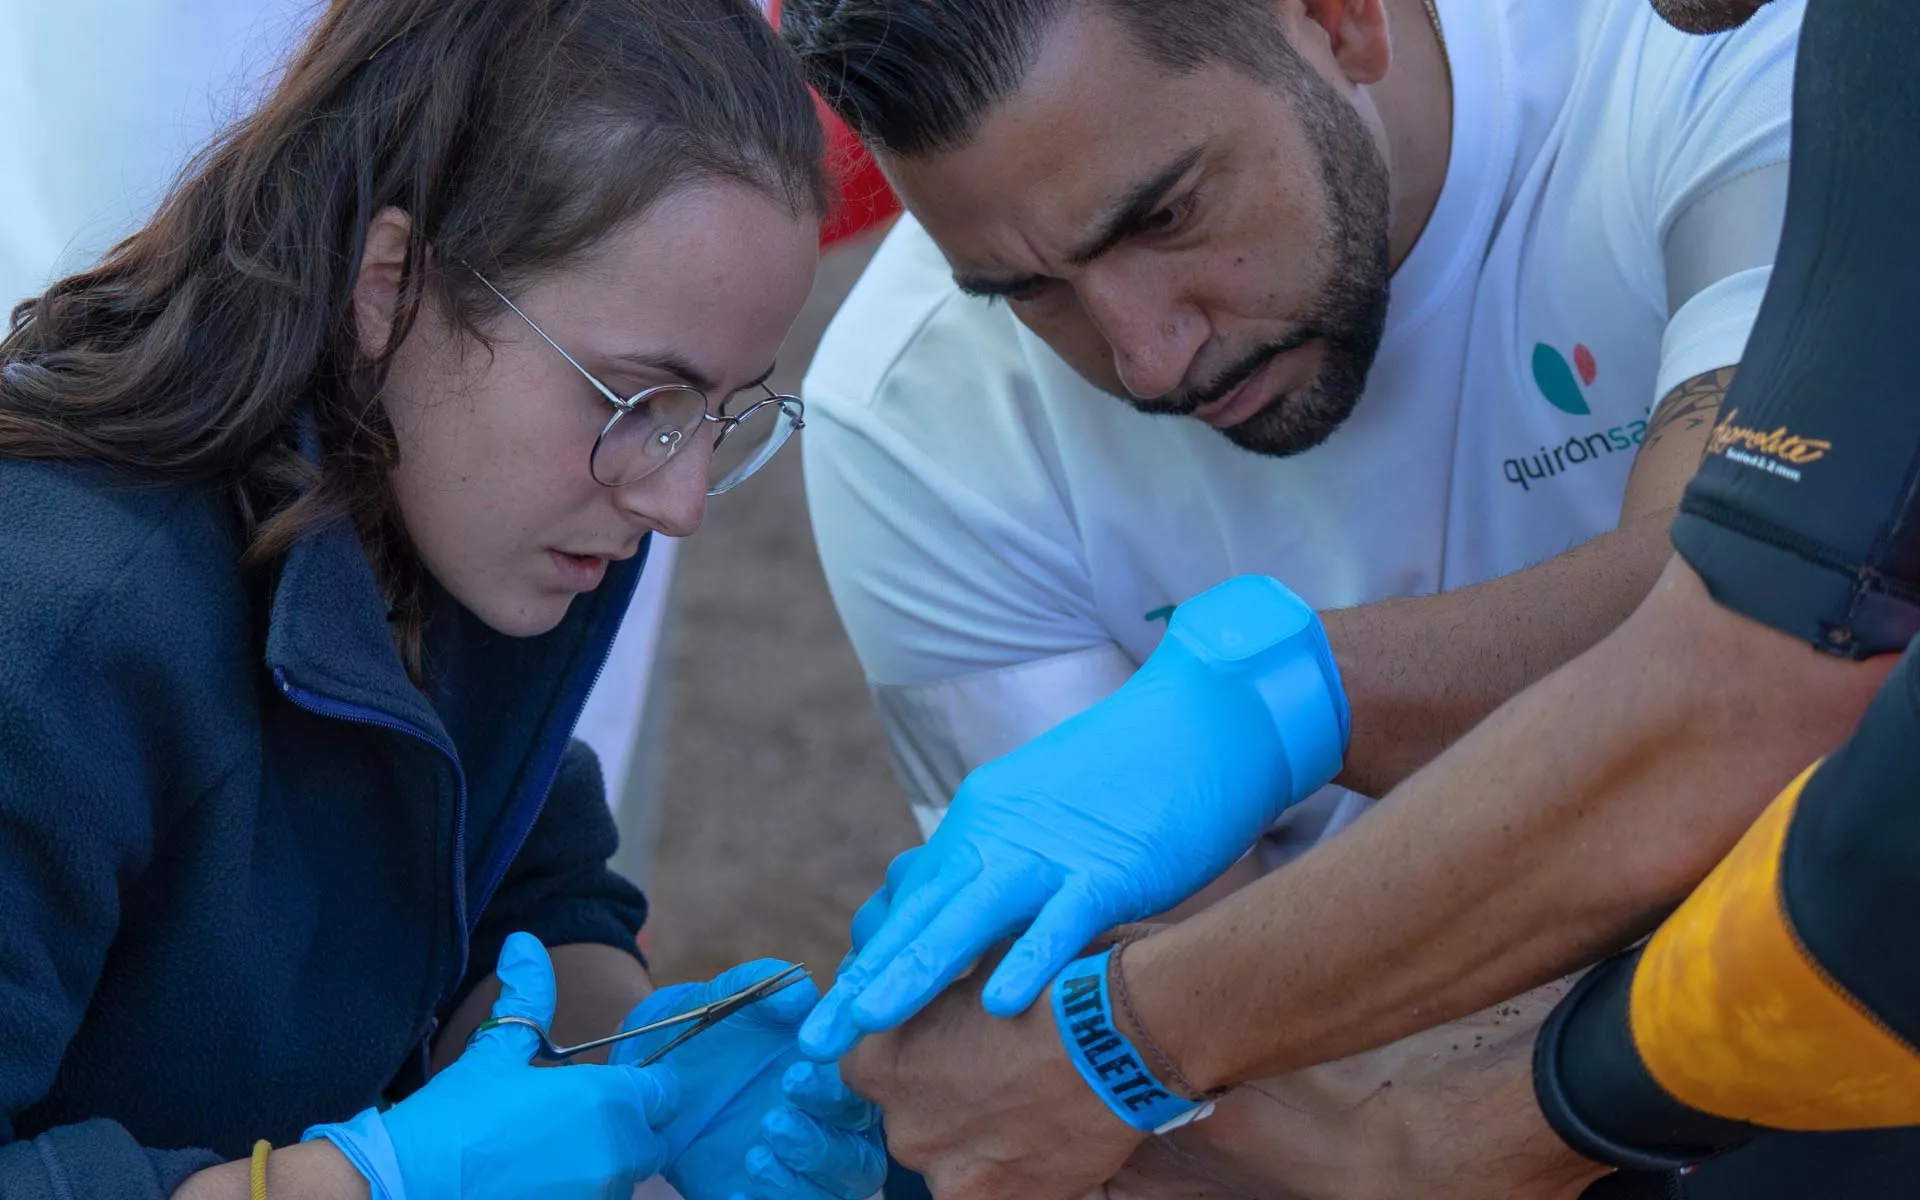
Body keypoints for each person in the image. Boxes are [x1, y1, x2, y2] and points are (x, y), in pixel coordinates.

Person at [799, 0, 1920, 1196]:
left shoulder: (1723, 47)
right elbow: (1183, 1105)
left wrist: (1295, 701)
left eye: (1167, 214)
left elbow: (1789, 620)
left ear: (1337, 21)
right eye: (1028, 293)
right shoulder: (901, 408)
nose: (1148, 356)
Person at [0, 2, 885, 1198]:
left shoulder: (450, 513)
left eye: (718, 415)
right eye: (635, 398)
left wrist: (645, 1071)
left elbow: (520, 885)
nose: (681, 501)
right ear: (389, 288)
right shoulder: (54, 637)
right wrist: (353, 1185)